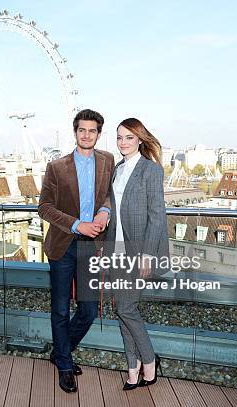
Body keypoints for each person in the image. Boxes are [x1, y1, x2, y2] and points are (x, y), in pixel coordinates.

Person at [38, 109, 115, 393]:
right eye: (82, 130)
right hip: (63, 244)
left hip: (92, 246)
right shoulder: (56, 167)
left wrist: (105, 211)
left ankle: (60, 352)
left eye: (92, 131)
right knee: (59, 309)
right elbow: (44, 207)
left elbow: (109, 193)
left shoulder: (107, 160)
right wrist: (76, 225)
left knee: (89, 309)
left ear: (98, 133)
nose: (86, 135)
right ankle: (66, 365)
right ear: (75, 132)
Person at [105, 118, 169, 390]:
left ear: (140, 139)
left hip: (138, 250)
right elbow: (112, 206)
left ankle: (150, 363)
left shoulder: (150, 171)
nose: (122, 142)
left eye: (129, 137)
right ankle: (133, 368)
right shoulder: (118, 169)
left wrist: (147, 256)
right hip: (116, 249)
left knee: (126, 308)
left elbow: (157, 217)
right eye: (119, 137)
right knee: (122, 310)